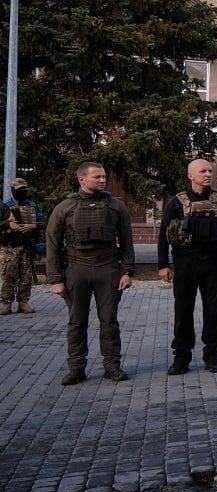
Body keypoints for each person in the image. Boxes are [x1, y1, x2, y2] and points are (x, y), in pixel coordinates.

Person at [44, 162, 134, 385]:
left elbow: (126, 241)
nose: (103, 180)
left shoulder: (116, 206)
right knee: (76, 322)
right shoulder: (65, 207)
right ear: (81, 179)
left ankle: (112, 366)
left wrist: (127, 271)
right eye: (97, 177)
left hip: (109, 269)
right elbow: (53, 244)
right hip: (77, 269)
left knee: (109, 321)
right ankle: (76, 368)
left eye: (104, 177)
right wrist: (55, 279)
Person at [157, 159, 217, 375]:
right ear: (190, 175)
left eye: (210, 170)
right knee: (183, 310)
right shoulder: (176, 202)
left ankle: (212, 355)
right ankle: (181, 357)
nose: (207, 174)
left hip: (213, 263)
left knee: (213, 311)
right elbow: (163, 236)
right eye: (202, 171)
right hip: (185, 263)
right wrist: (163, 265)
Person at [0, 178, 44, 315]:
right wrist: (9, 225)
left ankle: (23, 303)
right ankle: (6, 304)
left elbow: (43, 222)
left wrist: (33, 226)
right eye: (19, 191)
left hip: (27, 246)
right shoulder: (5, 206)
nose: (23, 193)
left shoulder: (33, 205)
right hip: (9, 247)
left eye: (24, 190)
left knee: (26, 275)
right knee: (8, 275)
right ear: (13, 191)